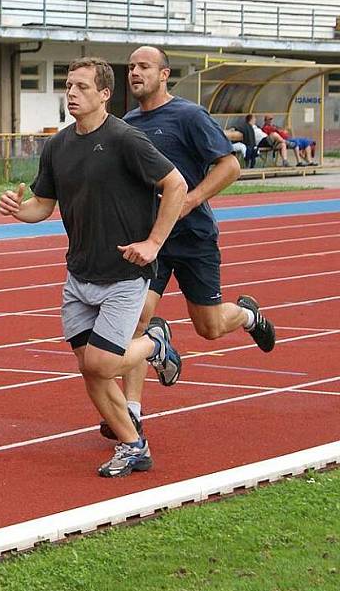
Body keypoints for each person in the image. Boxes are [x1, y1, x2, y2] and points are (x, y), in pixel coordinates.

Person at [0, 57, 188, 478]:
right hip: (79, 274)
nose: (71, 94)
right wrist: (18, 209)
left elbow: (176, 184)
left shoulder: (125, 139)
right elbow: (43, 206)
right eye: (68, 86)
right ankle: (133, 445)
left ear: (104, 94)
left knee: (102, 365)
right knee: (91, 370)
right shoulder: (58, 146)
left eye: (82, 87)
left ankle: (155, 344)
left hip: (122, 273)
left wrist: (155, 242)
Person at [106, 46, 277, 441]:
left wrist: (191, 200)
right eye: (131, 66)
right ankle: (131, 411)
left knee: (210, 327)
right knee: (137, 319)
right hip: (152, 239)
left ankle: (249, 316)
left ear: (164, 74)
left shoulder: (189, 116)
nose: (134, 72)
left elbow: (230, 165)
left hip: (193, 236)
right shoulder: (128, 123)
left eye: (144, 66)